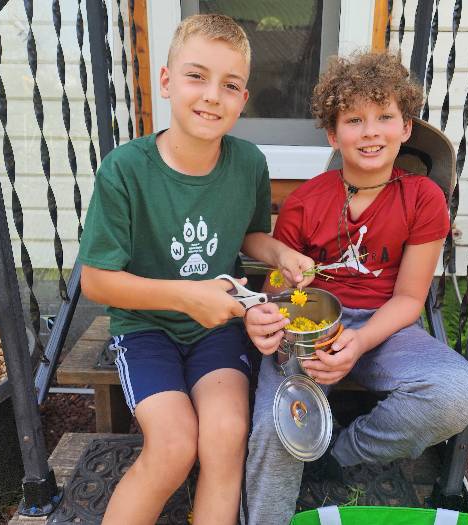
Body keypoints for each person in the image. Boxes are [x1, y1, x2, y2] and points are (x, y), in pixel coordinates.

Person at [77, 14, 314, 525]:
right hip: (146, 329)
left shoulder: (248, 162)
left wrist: (277, 254)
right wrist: (187, 297)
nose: (212, 95)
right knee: (175, 445)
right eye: (196, 76)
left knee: (226, 435)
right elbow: (96, 279)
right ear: (166, 81)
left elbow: (249, 233)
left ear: (243, 99)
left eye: (230, 85)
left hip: (218, 330)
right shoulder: (126, 169)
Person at [242, 52, 468, 525]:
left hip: (386, 326)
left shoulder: (423, 198)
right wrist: (280, 295)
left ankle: (335, 453)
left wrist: (361, 342)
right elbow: (274, 281)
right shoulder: (307, 200)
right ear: (334, 134)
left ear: (406, 127)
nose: (371, 131)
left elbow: (411, 299)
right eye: (354, 119)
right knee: (276, 425)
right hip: (309, 326)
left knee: (454, 393)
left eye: (385, 117)